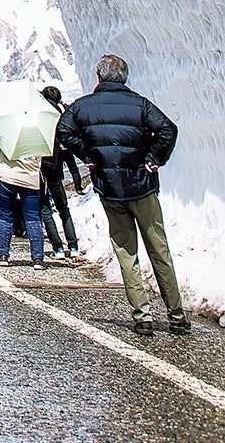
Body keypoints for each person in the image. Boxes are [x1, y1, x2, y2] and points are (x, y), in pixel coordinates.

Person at [56, 54, 185, 335]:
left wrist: (89, 154)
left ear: (99, 77)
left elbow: (64, 131)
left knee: (127, 252)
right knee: (158, 249)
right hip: (142, 185)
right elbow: (167, 130)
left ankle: (143, 316)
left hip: (110, 188)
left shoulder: (82, 107)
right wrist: (153, 158)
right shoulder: (139, 104)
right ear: (124, 77)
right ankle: (176, 315)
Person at [0, 128, 45, 269]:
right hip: (31, 177)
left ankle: (3, 255)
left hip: (8, 175)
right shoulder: (38, 129)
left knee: (5, 215)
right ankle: (38, 258)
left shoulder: (7, 128)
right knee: (33, 217)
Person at [38, 87, 81, 260]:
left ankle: (57, 247)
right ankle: (73, 245)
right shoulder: (64, 116)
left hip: (42, 166)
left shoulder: (40, 115)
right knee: (63, 207)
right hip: (57, 167)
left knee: (44, 208)